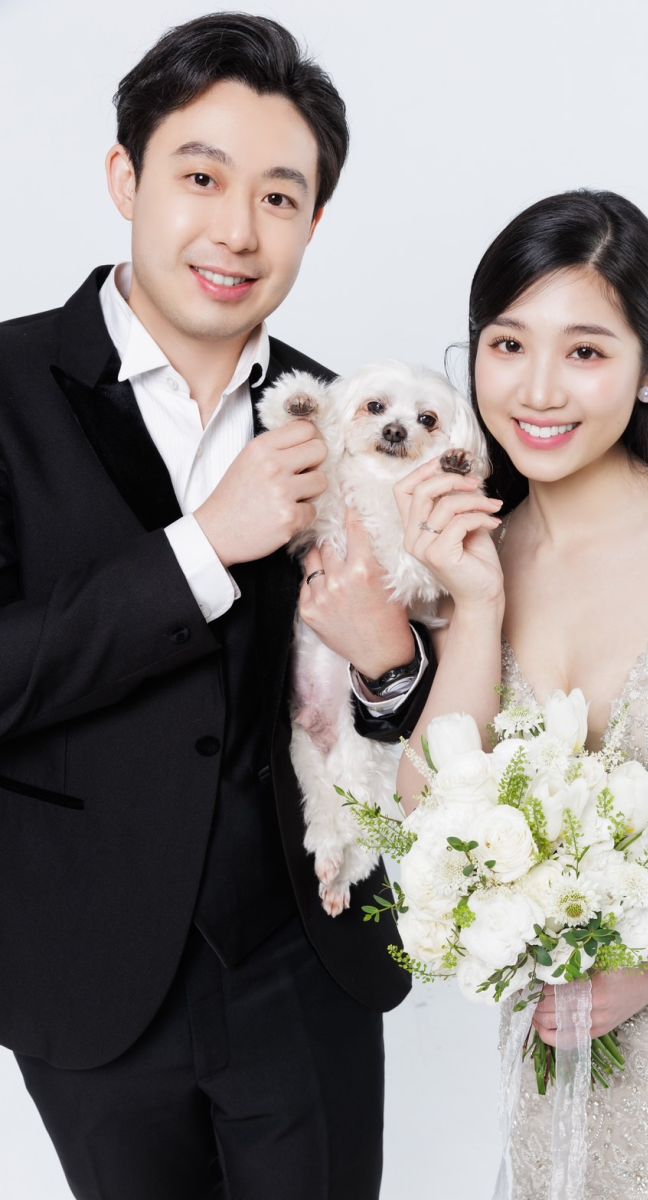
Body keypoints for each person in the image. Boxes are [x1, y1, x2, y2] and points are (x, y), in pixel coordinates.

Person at [0, 13, 434, 1199]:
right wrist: (203, 546)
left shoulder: (356, 418)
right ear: (125, 178)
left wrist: (392, 666)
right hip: (85, 974)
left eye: (279, 197)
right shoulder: (6, 387)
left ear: (314, 222)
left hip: (306, 956)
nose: (238, 230)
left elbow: (421, 697)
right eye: (201, 178)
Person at [395, 189, 648, 1198]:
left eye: (584, 351)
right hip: (557, 1083)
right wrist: (475, 607)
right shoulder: (468, 565)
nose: (538, 389)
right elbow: (426, 824)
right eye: (507, 344)